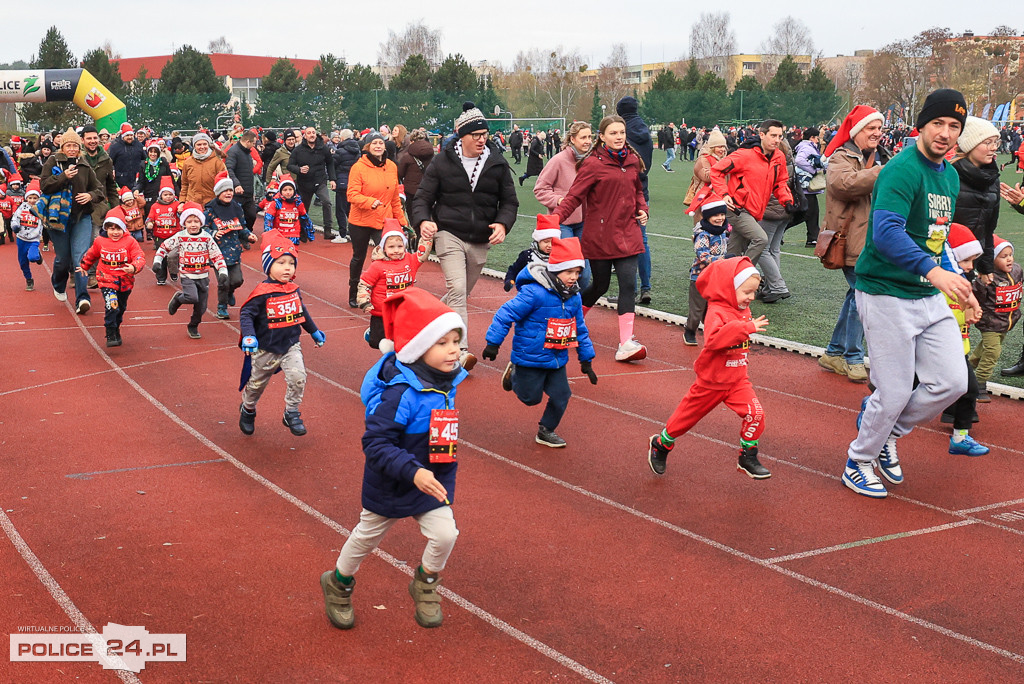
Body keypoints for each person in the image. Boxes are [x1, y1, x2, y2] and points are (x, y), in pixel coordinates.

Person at [842, 88, 978, 499]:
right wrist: (935, 273)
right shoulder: (901, 170)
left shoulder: (950, 176)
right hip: (886, 292)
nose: (945, 133)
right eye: (938, 123)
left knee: (952, 382)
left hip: (928, 292)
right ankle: (858, 459)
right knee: (896, 388)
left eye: (954, 126)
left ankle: (886, 432)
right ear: (922, 124)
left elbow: (936, 239)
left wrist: (959, 285)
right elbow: (885, 234)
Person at [320, 287, 467, 631]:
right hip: (391, 481)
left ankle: (426, 583)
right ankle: (338, 583)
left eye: (456, 341)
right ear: (417, 348)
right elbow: (376, 443)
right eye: (442, 343)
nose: (454, 351)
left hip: (431, 481)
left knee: (446, 534)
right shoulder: (400, 395)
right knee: (365, 538)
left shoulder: (447, 382)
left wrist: (434, 472)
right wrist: (413, 472)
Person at [410, 102, 519, 370]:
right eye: (477, 135)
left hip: (480, 238)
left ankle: (426, 324)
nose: (482, 139)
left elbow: (509, 201)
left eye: (485, 134)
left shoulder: (497, 163)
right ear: (463, 136)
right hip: (449, 232)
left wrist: (503, 224)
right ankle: (461, 352)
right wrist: (423, 220)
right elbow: (423, 196)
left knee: (459, 295)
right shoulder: (442, 161)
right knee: (457, 292)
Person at [647, 257, 771, 479]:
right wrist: (744, 328)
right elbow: (714, 340)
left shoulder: (743, 309)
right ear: (729, 290)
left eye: (754, 292)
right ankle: (662, 443)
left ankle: (748, 456)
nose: (751, 298)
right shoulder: (717, 311)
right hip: (712, 381)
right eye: (746, 292)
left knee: (756, 414)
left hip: (737, 380)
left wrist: (744, 328)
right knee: (684, 421)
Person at [482, 236, 597, 447]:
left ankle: (546, 430)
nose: (574, 277)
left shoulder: (574, 297)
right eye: (569, 272)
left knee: (562, 395)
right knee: (530, 399)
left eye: (577, 273)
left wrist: (586, 359)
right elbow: (505, 314)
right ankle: (514, 374)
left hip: (557, 358)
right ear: (555, 270)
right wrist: (493, 343)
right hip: (530, 356)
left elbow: (579, 328)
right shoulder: (534, 293)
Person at [553, 115, 648, 362]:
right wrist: (556, 219)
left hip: (628, 233)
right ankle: (571, 322)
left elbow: (637, 191)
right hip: (601, 236)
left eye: (622, 132)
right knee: (600, 285)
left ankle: (626, 342)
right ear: (602, 137)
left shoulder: (632, 161)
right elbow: (573, 197)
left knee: (629, 284)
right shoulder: (592, 165)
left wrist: (642, 209)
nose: (619, 137)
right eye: (614, 133)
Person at [819, 106, 889, 384]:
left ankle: (835, 352)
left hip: (875, 241)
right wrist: (883, 172)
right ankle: (853, 357)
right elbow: (843, 185)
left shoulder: (882, 156)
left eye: (879, 128)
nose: (877, 133)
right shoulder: (841, 157)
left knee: (856, 295)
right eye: (870, 128)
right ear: (857, 130)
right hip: (849, 241)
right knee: (865, 295)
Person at [239, 236, 326, 437]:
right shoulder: (262, 292)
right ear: (268, 266)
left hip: (290, 345)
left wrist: (313, 331)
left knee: (298, 377)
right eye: (281, 263)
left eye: (291, 263)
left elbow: (301, 312)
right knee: (256, 385)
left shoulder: (293, 290)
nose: (287, 268)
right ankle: (248, 408)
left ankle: (291, 412)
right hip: (265, 349)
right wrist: (249, 336)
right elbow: (246, 314)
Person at [711, 119, 794, 267]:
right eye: (773, 135)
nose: (777, 140)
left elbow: (780, 182)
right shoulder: (744, 155)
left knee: (734, 251)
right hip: (737, 209)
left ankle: (723, 277)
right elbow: (716, 170)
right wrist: (724, 194)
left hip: (755, 211)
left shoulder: (779, 157)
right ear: (762, 135)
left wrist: (787, 201)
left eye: (780, 136)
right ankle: (743, 273)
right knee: (761, 239)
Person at [40, 127, 104, 313]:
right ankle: (58, 283)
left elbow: (99, 189)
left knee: (81, 258)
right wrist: (63, 176)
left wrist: (90, 196)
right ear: (62, 147)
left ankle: (82, 298)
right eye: (68, 145)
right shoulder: (53, 161)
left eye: (75, 145)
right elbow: (44, 185)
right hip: (57, 218)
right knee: (63, 258)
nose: (72, 149)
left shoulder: (84, 165)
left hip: (80, 217)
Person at [940, 224, 989, 455]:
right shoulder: (937, 284)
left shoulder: (966, 285)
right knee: (908, 385)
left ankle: (960, 437)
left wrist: (971, 312)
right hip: (935, 350)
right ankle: (877, 399)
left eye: (973, 262)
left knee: (970, 390)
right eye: (965, 261)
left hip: (959, 350)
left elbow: (965, 307)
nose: (970, 267)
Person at [346, 132, 407, 307]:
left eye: (381, 142)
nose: (378, 146)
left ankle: (386, 292)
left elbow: (395, 198)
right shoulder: (358, 167)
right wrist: (370, 202)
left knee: (387, 256)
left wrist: (402, 222)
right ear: (367, 147)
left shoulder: (391, 166)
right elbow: (352, 194)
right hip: (361, 220)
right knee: (359, 256)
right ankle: (355, 291)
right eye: (374, 143)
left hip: (384, 220)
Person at [155, 202, 228, 339]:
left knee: (201, 307)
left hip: (203, 276)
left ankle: (193, 325)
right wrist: (157, 261)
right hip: (187, 275)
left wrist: (223, 271)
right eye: (189, 221)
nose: (193, 224)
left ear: (201, 222)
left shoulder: (206, 237)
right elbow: (164, 246)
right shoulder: (180, 236)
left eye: (196, 221)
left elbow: (216, 254)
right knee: (191, 297)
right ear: (184, 223)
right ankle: (178, 299)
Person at [356, 220, 434, 349]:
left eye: (400, 246)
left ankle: (397, 362)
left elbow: (422, 253)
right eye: (391, 247)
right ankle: (372, 333)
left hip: (403, 309)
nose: (396, 250)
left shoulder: (410, 260)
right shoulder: (377, 266)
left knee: (401, 343)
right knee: (377, 343)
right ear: (383, 248)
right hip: (381, 311)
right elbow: (365, 283)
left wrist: (427, 238)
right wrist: (364, 301)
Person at [534, 121, 593, 289]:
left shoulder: (591, 161)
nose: (587, 141)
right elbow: (540, 189)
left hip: (586, 222)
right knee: (569, 266)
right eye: (583, 137)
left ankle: (576, 310)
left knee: (585, 274)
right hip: (563, 223)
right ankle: (562, 307)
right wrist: (559, 200)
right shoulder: (558, 161)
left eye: (590, 137)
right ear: (572, 139)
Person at [77, 207, 146, 347]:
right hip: (107, 279)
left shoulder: (130, 242)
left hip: (125, 281)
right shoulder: (100, 241)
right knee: (112, 306)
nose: (115, 232)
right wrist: (84, 265)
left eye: (118, 228)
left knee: (120, 308)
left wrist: (134, 267)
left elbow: (139, 256)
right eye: (111, 229)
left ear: (124, 229)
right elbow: (92, 254)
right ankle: (109, 331)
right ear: (106, 229)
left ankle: (116, 327)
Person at [969, 235, 1021, 401]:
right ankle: (979, 384)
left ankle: (966, 370)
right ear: (991, 260)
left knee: (982, 350)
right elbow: (974, 294)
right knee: (993, 352)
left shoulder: (1017, 270)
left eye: (1010, 255)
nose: (1009, 259)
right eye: (1003, 256)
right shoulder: (987, 279)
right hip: (990, 323)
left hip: (1007, 323)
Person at [617, 96, 654, 302]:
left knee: (621, 241)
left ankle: (628, 291)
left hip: (622, 192)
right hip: (642, 190)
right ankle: (646, 287)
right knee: (642, 241)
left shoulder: (622, 133)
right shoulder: (645, 132)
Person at [206, 172, 257, 319]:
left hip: (233, 251)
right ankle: (222, 307)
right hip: (217, 253)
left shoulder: (237, 207)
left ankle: (230, 292)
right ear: (218, 192)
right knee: (223, 281)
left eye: (230, 190)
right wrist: (213, 233)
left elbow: (242, 227)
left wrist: (248, 235)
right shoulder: (210, 209)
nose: (228, 193)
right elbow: (202, 228)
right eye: (225, 191)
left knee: (237, 280)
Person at [682, 194, 730, 346]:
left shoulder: (722, 231)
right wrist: (721, 261)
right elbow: (703, 255)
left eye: (722, 214)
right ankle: (690, 330)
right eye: (715, 215)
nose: (720, 218)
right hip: (700, 277)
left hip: (716, 277)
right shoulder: (703, 234)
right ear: (707, 216)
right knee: (697, 308)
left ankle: (713, 332)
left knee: (714, 307)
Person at [757, 137, 797, 303]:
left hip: (771, 209)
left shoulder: (773, 163)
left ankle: (777, 286)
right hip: (786, 208)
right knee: (773, 249)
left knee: (761, 248)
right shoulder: (790, 162)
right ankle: (770, 286)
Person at [288, 126, 337, 241]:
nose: (311, 135)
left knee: (327, 202)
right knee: (304, 208)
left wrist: (333, 179)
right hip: (304, 182)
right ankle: (303, 231)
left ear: (316, 134)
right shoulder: (298, 150)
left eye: (313, 133)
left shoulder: (323, 148)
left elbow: (330, 163)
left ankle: (328, 230)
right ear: (305, 136)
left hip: (320, 181)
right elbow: (290, 165)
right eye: (309, 133)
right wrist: (299, 169)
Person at [503, 215, 558, 291]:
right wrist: (509, 280)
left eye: (553, 242)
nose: (550, 245)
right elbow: (514, 270)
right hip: (528, 292)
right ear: (538, 241)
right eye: (546, 242)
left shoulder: (559, 257)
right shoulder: (527, 255)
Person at [685, 128, 728, 224]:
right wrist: (724, 167)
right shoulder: (703, 159)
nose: (722, 150)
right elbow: (707, 177)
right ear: (712, 147)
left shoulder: (724, 159)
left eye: (723, 147)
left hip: (719, 198)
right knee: (703, 230)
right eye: (719, 147)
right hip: (704, 199)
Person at [794, 127, 826, 247]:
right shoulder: (807, 147)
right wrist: (813, 170)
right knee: (806, 214)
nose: (818, 140)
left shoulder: (806, 146)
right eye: (817, 137)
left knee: (813, 213)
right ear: (812, 137)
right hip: (806, 186)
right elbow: (799, 160)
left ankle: (812, 238)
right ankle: (780, 230)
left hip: (807, 187)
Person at [11, 181, 44, 291]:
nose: (32, 200)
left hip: (33, 239)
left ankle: (38, 256)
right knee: (23, 262)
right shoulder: (22, 207)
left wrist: (40, 235)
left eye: (35, 198)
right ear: (26, 198)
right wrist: (15, 226)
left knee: (32, 257)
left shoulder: (40, 208)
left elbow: (42, 223)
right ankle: (29, 279)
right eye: (30, 198)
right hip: (21, 239)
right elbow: (15, 218)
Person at [263, 175, 315, 245]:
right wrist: (269, 234)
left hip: (294, 235)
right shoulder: (275, 203)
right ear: (280, 191)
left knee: (292, 255)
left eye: (290, 189)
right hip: (279, 235)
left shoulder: (298, 203)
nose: (288, 192)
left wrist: (310, 232)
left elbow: (305, 218)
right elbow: (268, 219)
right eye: (285, 190)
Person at [226, 130, 261, 231]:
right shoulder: (233, 152)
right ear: (247, 142)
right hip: (238, 192)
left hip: (248, 191)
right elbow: (229, 169)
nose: (254, 146)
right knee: (237, 217)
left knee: (251, 215)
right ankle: (240, 236)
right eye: (253, 143)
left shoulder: (247, 153)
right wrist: (236, 184)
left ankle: (247, 234)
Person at [179, 132, 227, 206]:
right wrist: (182, 202)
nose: (202, 147)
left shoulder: (217, 162)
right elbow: (185, 184)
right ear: (194, 146)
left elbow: (223, 184)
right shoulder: (188, 162)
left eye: (205, 144)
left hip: (212, 203)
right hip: (193, 202)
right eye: (199, 144)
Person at [147, 178, 180, 283]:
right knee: (161, 256)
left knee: (173, 256)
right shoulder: (155, 206)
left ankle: (174, 272)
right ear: (161, 195)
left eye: (170, 194)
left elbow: (182, 216)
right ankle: (161, 278)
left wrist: (181, 211)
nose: (168, 197)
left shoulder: (177, 205)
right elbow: (150, 218)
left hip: (174, 235)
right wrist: (149, 223)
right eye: (165, 195)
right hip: (159, 236)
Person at [330, 129, 360, 244]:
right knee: (351, 210)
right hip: (354, 182)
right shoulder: (357, 150)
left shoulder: (340, 151)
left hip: (342, 183)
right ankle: (354, 233)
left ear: (342, 138)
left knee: (340, 210)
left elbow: (333, 165)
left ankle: (342, 234)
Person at [396, 129, 435, 205]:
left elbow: (400, 173)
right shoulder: (432, 154)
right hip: (428, 189)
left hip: (411, 190)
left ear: (412, 141)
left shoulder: (407, 156)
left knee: (412, 213)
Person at [135, 140, 173, 212]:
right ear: (148, 153)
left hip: (162, 196)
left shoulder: (163, 163)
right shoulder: (143, 165)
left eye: (155, 152)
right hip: (149, 196)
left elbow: (171, 179)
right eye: (151, 152)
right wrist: (137, 189)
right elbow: (141, 182)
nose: (153, 154)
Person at [108, 123, 144, 189]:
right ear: (123, 136)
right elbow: (110, 161)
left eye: (131, 135)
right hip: (121, 179)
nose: (129, 137)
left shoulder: (139, 145)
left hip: (136, 179)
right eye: (127, 135)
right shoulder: (115, 147)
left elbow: (144, 159)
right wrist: (113, 170)